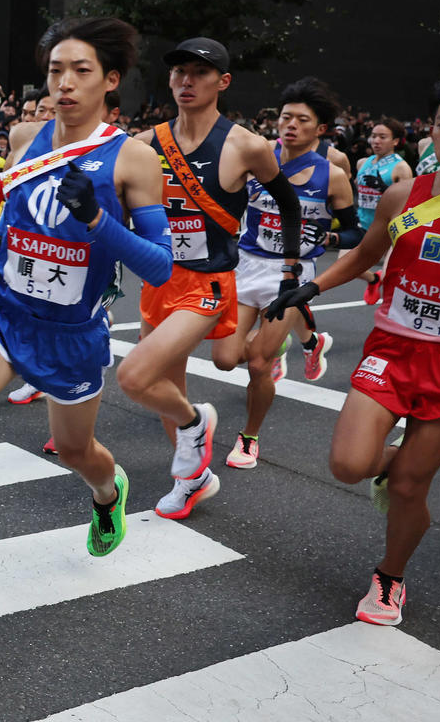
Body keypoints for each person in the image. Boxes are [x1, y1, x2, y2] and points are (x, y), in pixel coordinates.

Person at [0, 17, 172, 612]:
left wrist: (97, 221)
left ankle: (107, 491)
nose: (64, 83)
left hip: (71, 333)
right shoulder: (24, 138)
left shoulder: (134, 160)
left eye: (81, 71)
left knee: (75, 450)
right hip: (5, 310)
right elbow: (18, 212)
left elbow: (160, 267)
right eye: (55, 70)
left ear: (110, 80)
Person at [265, 64, 440, 626]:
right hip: (392, 350)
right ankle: (402, 460)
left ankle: (389, 577)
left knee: (407, 487)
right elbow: (363, 256)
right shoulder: (403, 196)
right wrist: (308, 288)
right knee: (348, 463)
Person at [116, 37, 303, 520]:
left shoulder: (246, 145)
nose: (186, 81)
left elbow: (289, 204)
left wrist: (290, 270)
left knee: (141, 373)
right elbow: (123, 213)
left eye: (199, 73)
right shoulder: (144, 144)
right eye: (179, 71)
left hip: (209, 283)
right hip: (160, 279)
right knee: (167, 386)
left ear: (223, 82)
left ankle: (199, 425)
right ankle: (192, 480)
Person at [211, 77, 359, 470]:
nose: (290, 125)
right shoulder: (256, 158)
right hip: (246, 265)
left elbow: (355, 232)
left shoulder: (332, 175)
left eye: (302, 120)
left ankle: (249, 437)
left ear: (320, 129)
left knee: (258, 365)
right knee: (224, 358)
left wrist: (329, 237)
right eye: (285, 117)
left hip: (291, 275)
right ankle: (284, 343)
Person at [353, 118, 413, 304]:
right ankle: (373, 279)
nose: (376, 141)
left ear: (395, 141)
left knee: (389, 278)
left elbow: (407, 202)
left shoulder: (401, 167)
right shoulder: (362, 163)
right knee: (348, 265)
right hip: (364, 223)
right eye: (373, 136)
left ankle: (392, 314)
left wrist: (383, 188)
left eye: (382, 137)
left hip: (390, 229)